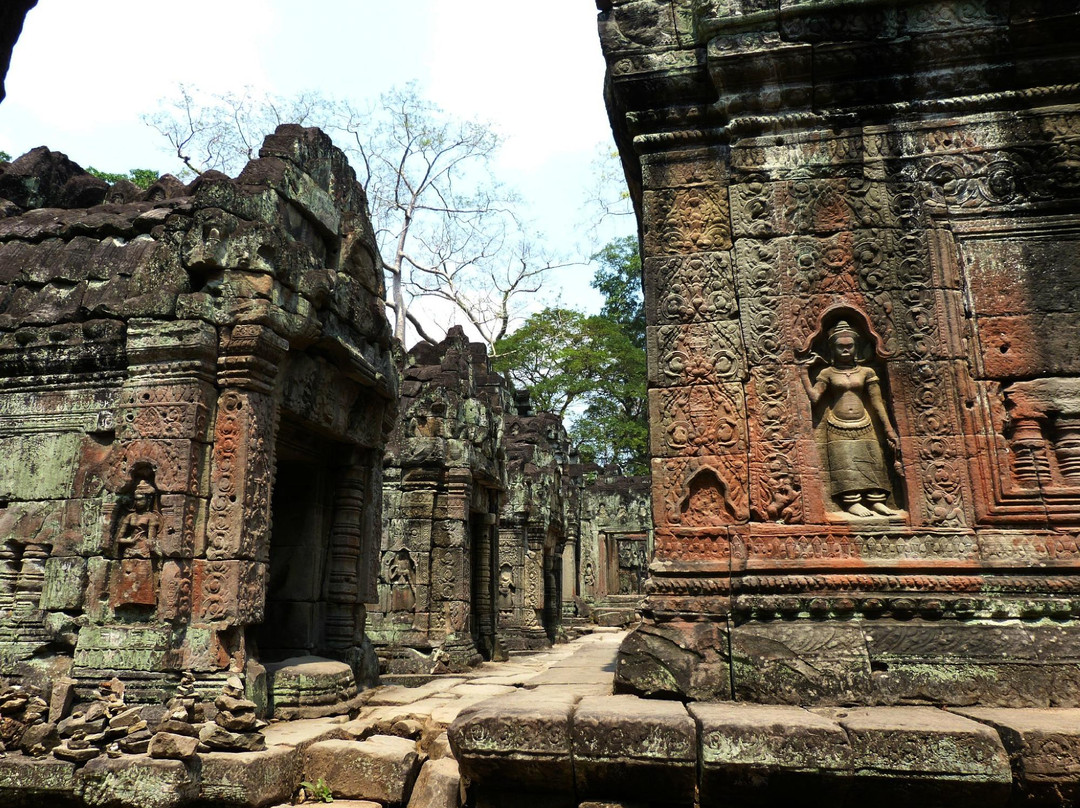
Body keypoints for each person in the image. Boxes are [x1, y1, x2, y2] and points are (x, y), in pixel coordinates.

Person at [799, 320, 899, 517]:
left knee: (871, 461)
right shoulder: (827, 373)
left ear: (857, 347)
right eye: (840, 347)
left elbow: (878, 402)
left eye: (849, 346)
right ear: (832, 349)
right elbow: (814, 398)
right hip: (837, 425)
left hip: (865, 424)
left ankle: (877, 500)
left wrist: (889, 429)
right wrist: (804, 372)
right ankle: (851, 501)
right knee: (845, 463)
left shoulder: (866, 372)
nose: (845, 351)